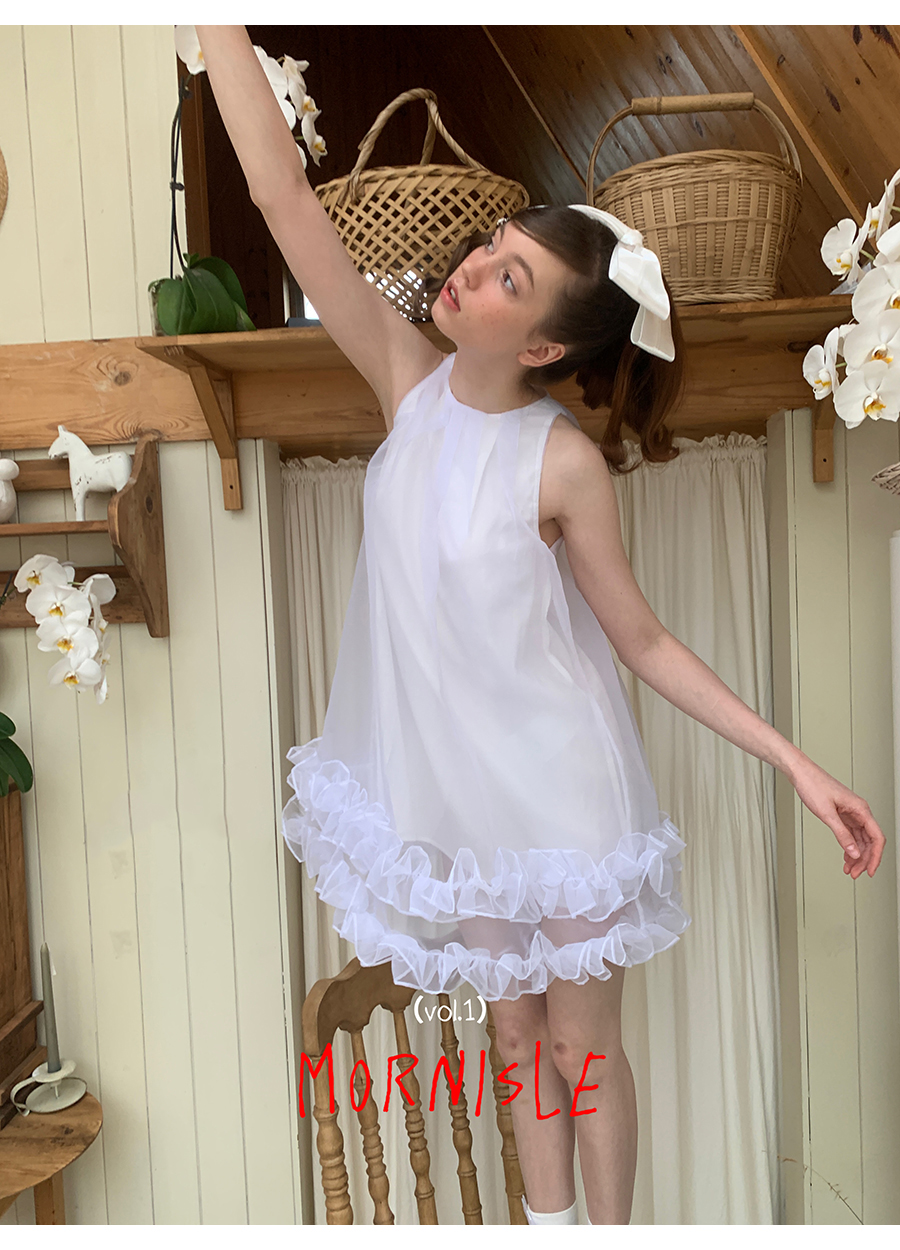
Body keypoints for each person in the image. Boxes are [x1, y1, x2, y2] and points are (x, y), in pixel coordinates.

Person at [196, 26, 886, 1227]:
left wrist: (795, 762)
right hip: (464, 801)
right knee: (513, 1036)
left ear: (546, 344)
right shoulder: (402, 379)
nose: (473, 268)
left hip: (564, 799)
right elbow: (278, 193)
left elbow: (644, 641)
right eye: (491, 248)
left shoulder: (561, 461)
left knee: (579, 1047)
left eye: (509, 279)